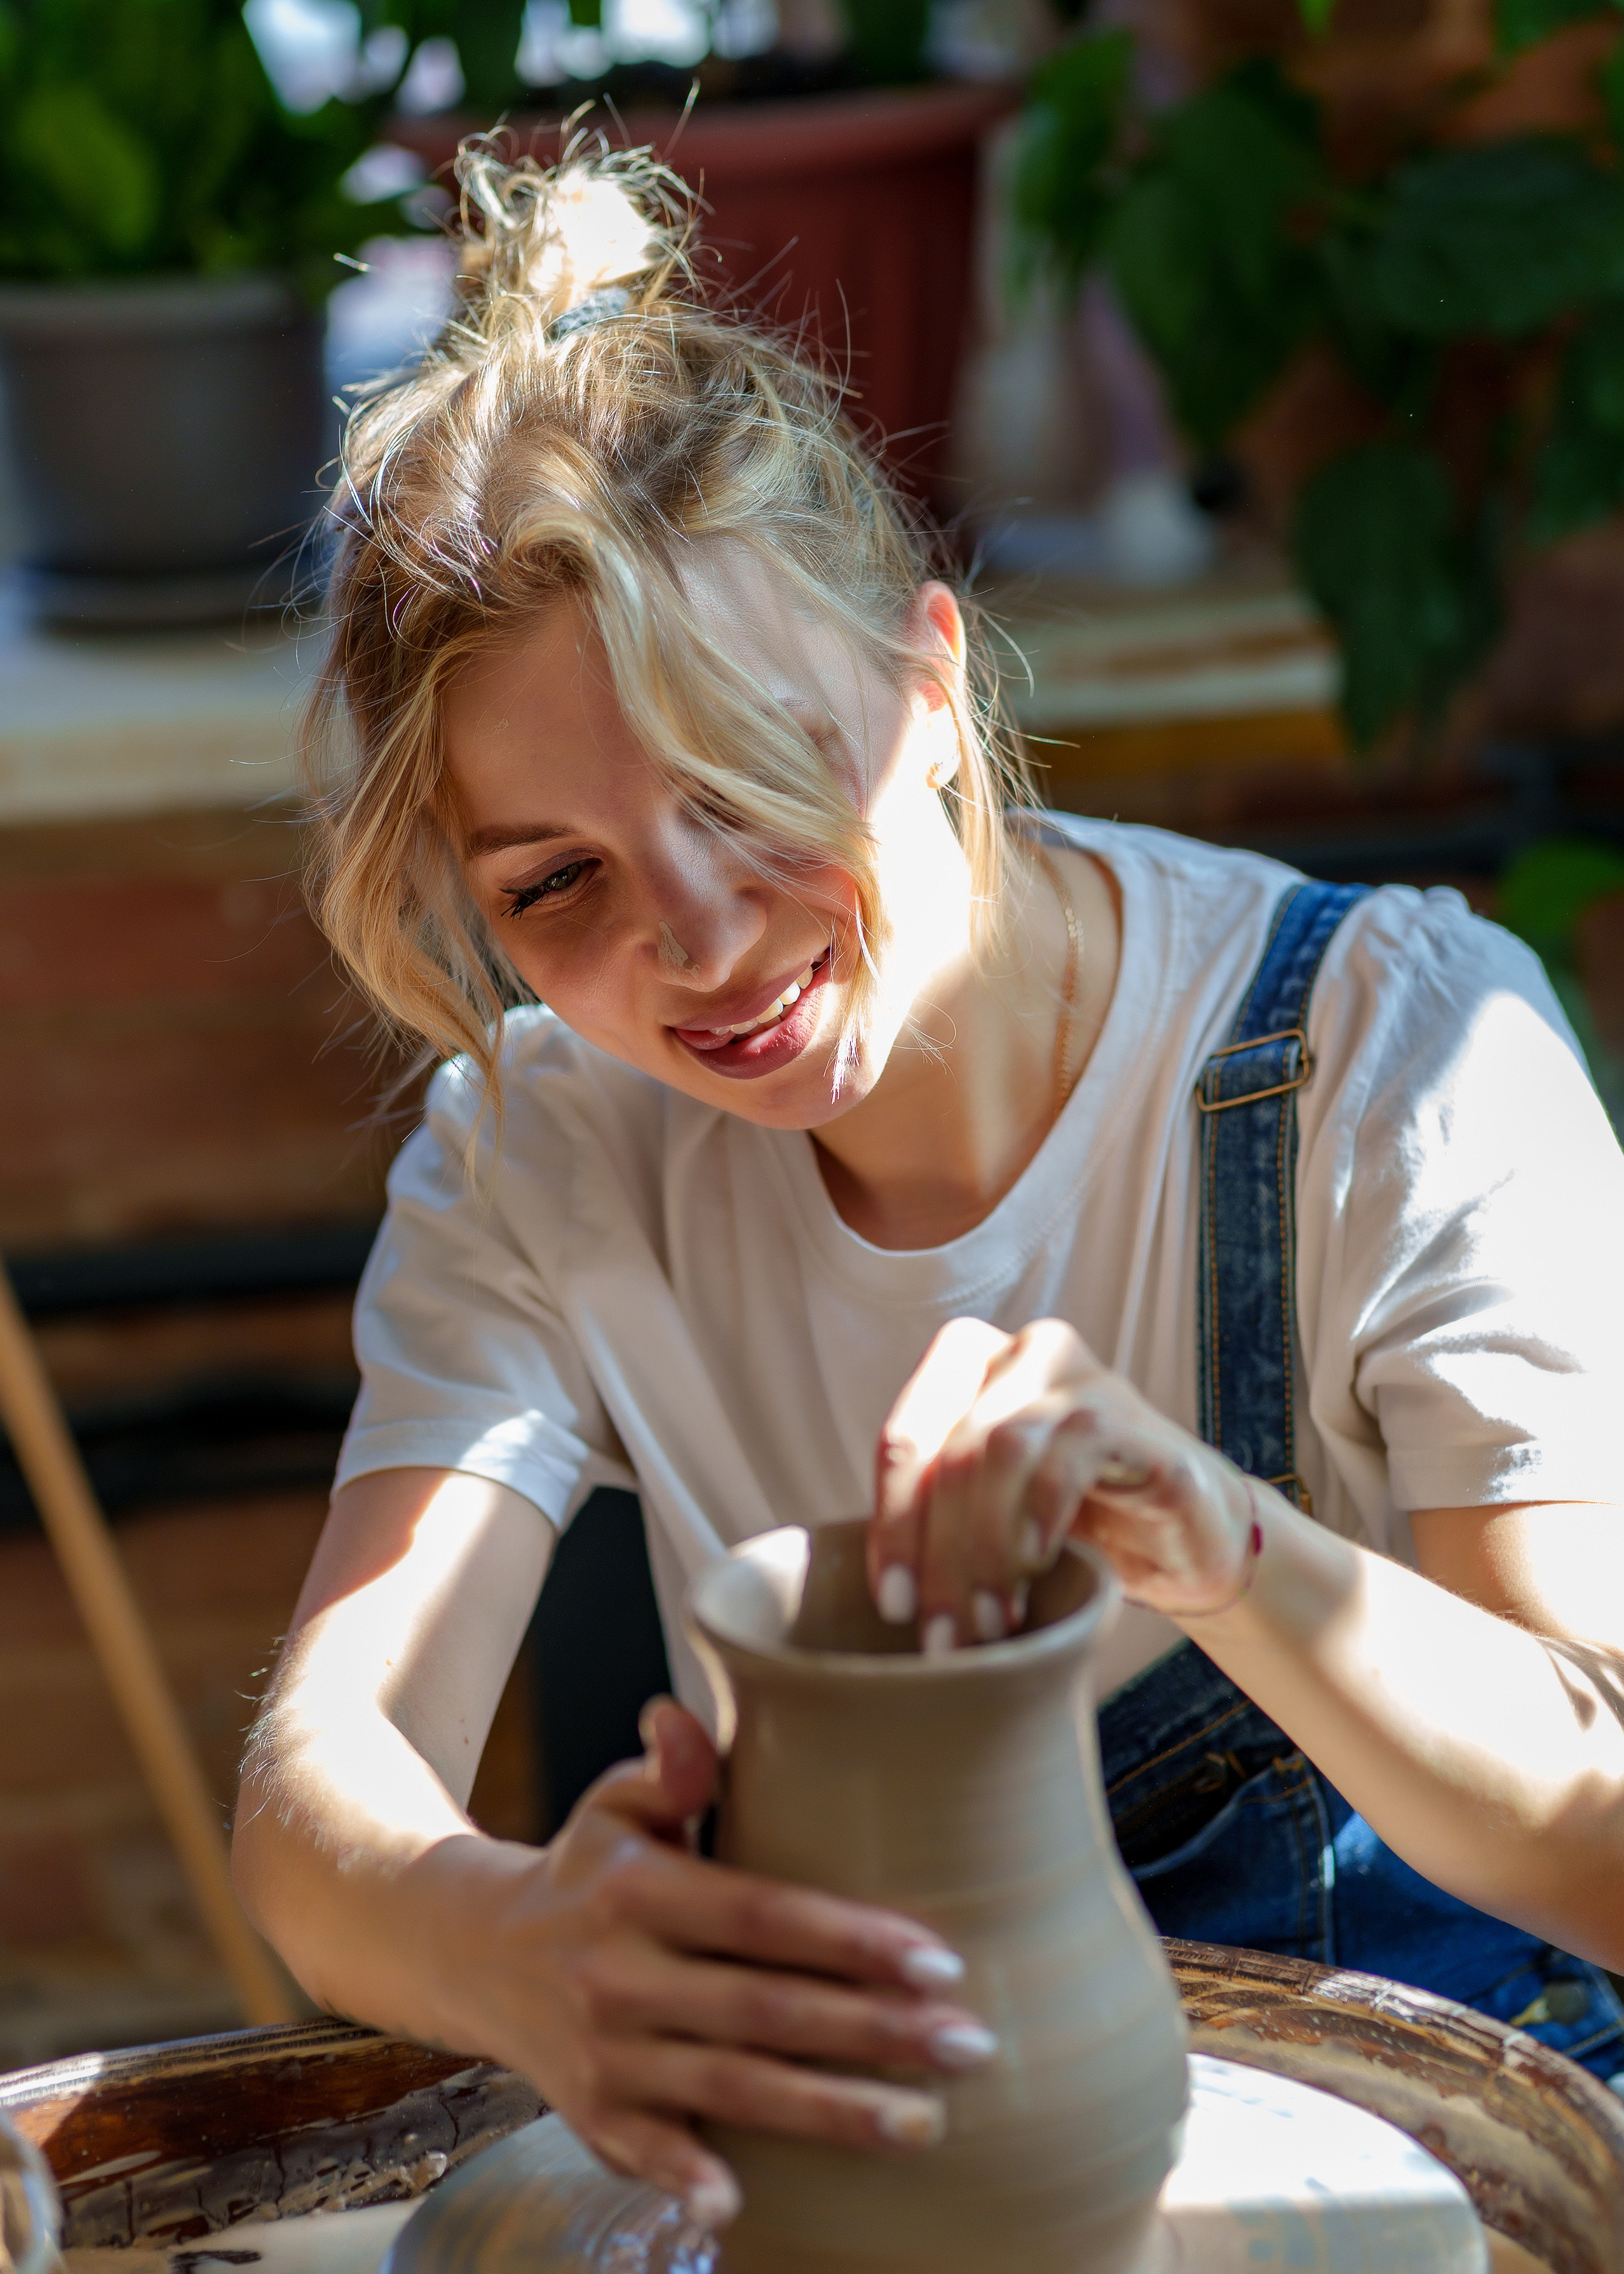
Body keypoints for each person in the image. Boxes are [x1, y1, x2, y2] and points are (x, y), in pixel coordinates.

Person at [234, 144, 1624, 2234]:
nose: (696, 938)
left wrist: (1221, 1539)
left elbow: (1604, 1826)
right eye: (556, 882)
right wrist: (517, 1945)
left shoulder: (1391, 1053)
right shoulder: (544, 1155)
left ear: (931, 681)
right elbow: (315, 1794)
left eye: (750, 779)